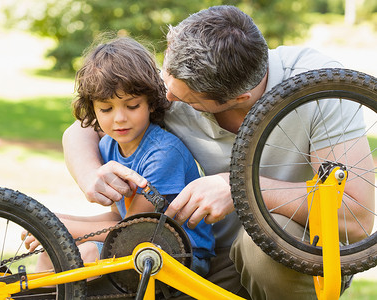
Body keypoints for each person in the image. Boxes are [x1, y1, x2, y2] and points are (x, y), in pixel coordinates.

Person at [62, 6, 374, 300]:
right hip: (205, 253)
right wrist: (90, 174)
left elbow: (356, 216)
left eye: (189, 100)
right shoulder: (178, 81)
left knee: (261, 245)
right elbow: (82, 128)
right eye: (166, 78)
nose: (167, 96)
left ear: (239, 97)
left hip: (290, 253)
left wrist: (240, 188)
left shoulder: (318, 85)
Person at [25, 36, 215, 278]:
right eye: (106, 109)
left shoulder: (163, 153)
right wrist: (57, 221)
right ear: (92, 109)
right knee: (53, 250)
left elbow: (133, 229)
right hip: (139, 243)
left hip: (181, 255)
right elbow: (119, 217)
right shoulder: (109, 146)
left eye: (132, 106)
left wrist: (60, 225)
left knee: (90, 253)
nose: (119, 119)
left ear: (151, 104)